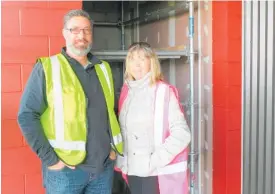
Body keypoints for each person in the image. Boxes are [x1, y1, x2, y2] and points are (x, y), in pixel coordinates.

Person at [17, 9, 123, 194]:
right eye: (74, 30)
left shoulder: (103, 68)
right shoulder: (47, 67)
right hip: (66, 173)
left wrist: (112, 150)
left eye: (86, 30)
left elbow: (110, 113)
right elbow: (26, 116)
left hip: (103, 169)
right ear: (64, 33)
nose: (81, 35)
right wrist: (51, 159)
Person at [115, 42, 191, 194]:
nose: (137, 64)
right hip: (131, 171)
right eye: (132, 59)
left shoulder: (163, 91)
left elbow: (182, 135)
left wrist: (152, 162)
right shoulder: (127, 92)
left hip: (153, 174)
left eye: (142, 59)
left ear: (152, 62)